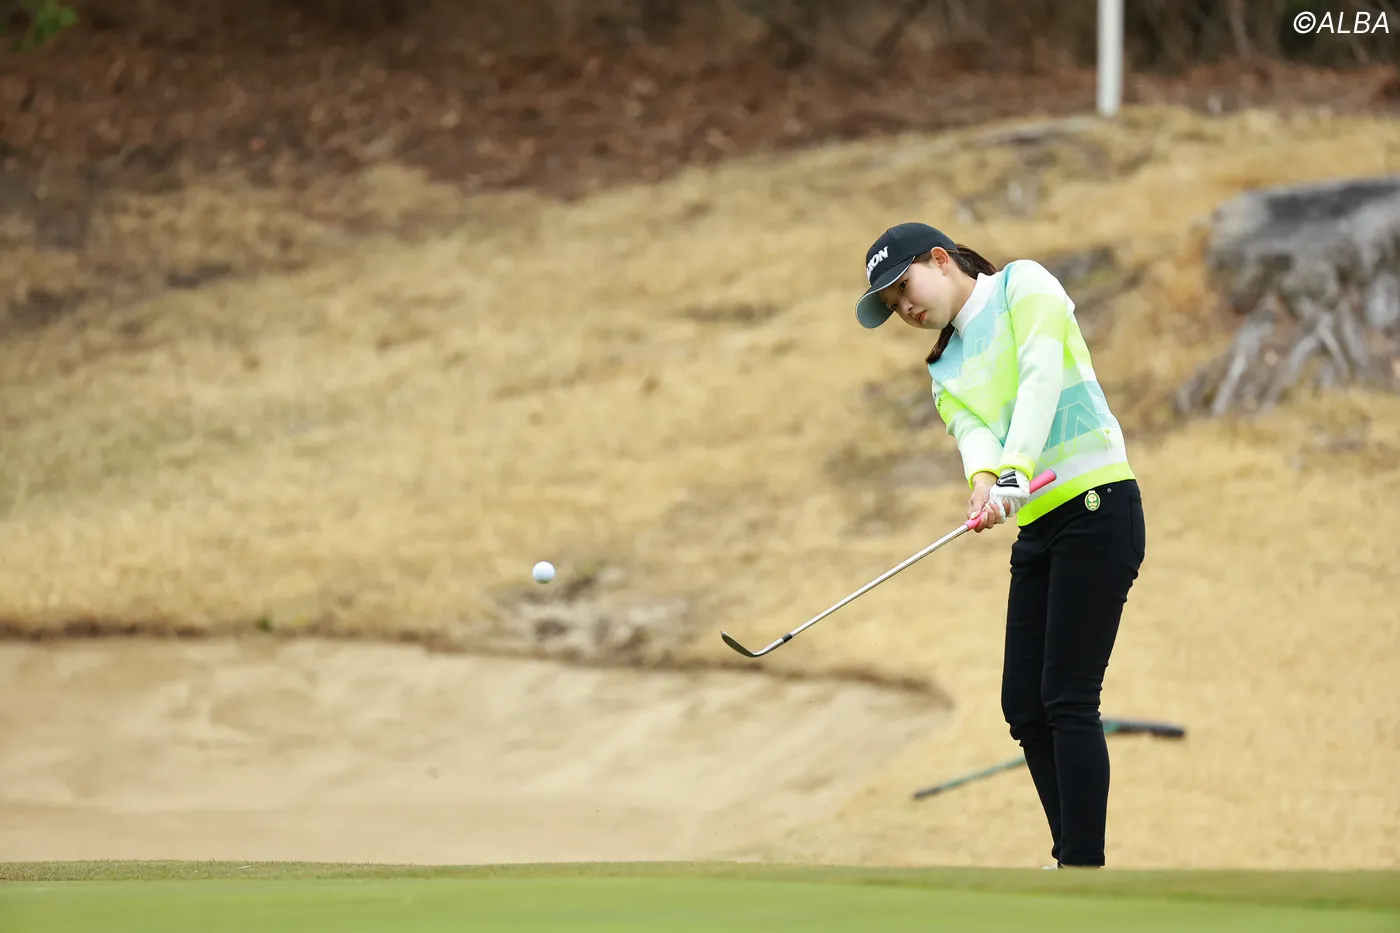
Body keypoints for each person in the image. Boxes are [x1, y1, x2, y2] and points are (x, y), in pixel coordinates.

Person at [854, 222, 1146, 869]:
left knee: (1068, 696)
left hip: (1098, 504)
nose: (905, 308)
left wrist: (1015, 468)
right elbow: (974, 434)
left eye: (905, 287)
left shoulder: (1024, 286)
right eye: (893, 304)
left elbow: (1041, 375)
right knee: (1023, 704)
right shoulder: (944, 366)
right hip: (1040, 524)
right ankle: (1071, 859)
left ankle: (1081, 867)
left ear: (940, 259)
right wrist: (985, 484)